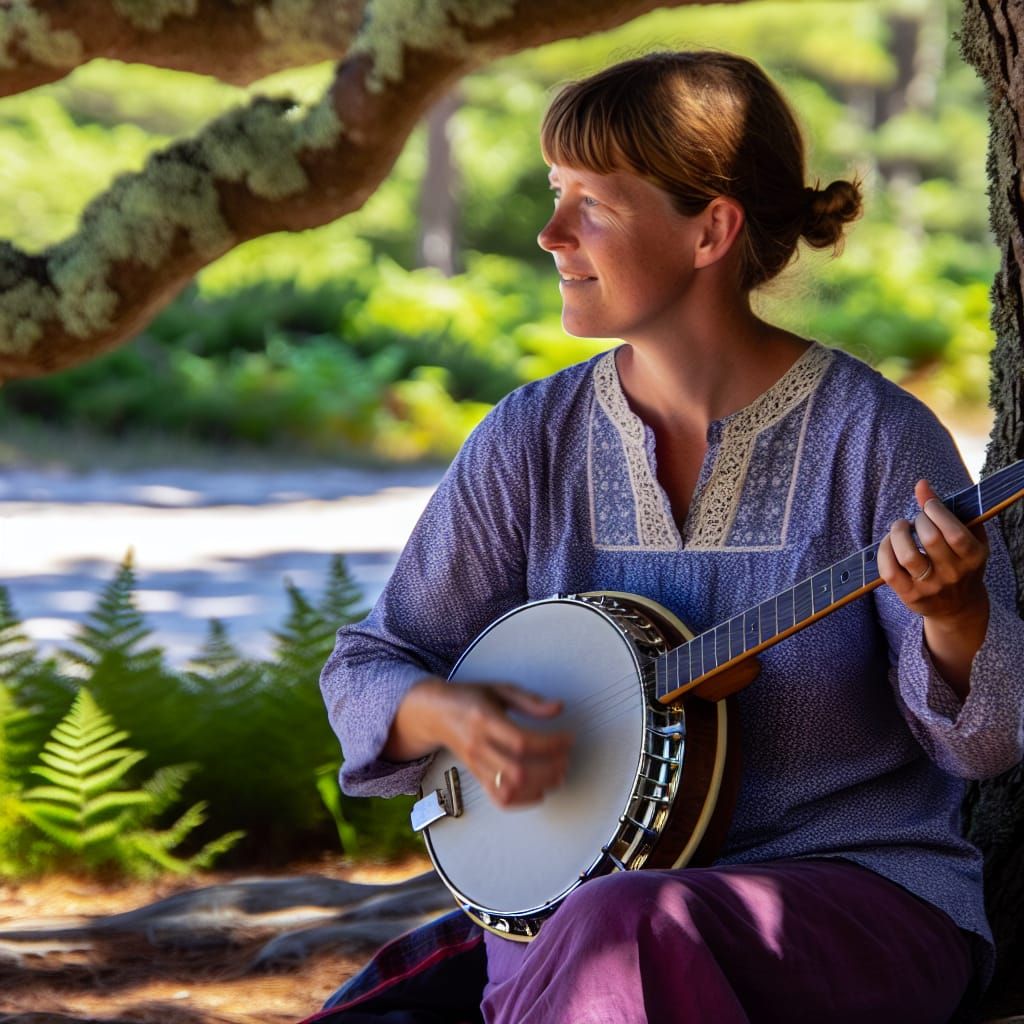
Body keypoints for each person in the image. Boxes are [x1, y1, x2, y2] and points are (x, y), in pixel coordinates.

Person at [315, 51, 1024, 1024]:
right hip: (570, 932)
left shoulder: (877, 438)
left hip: (851, 909)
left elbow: (989, 742)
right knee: (610, 922)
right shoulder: (532, 438)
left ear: (711, 228)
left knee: (628, 923)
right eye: (552, 192)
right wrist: (451, 714)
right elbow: (368, 665)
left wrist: (953, 614)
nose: (548, 231)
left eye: (590, 204)